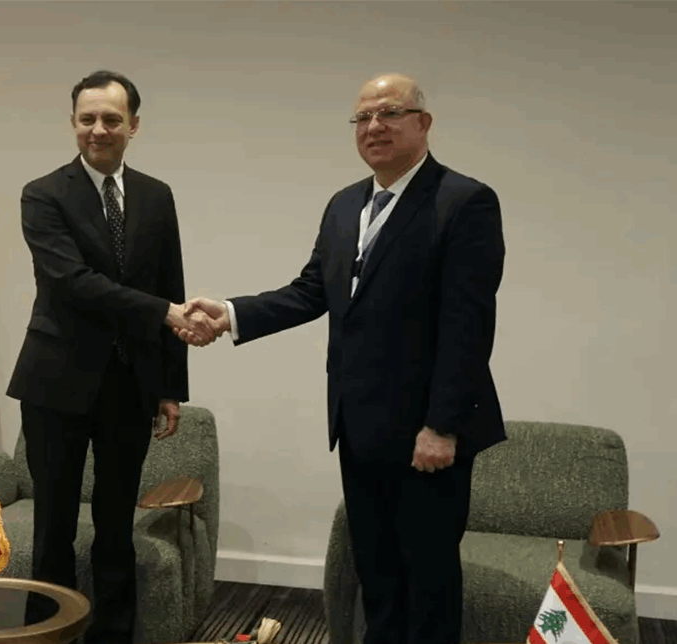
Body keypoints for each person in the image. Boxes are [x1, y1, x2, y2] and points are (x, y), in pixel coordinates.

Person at [182, 73, 506, 644]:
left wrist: (442, 425)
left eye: (390, 113)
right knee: (376, 573)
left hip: (427, 434)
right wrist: (230, 313)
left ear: (423, 123)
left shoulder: (464, 202)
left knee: (427, 577)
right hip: (358, 426)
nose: (374, 126)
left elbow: (468, 326)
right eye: (363, 117)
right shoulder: (344, 205)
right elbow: (312, 290)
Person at [6, 70, 210, 644]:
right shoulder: (43, 194)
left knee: (117, 524)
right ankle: (46, 635)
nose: (98, 129)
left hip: (130, 384)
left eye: (111, 119)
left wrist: (169, 386)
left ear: (133, 126)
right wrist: (165, 311)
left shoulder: (156, 195)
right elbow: (73, 282)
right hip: (55, 384)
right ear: (73, 123)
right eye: (87, 118)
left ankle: (114, 634)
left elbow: (170, 281)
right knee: (53, 526)